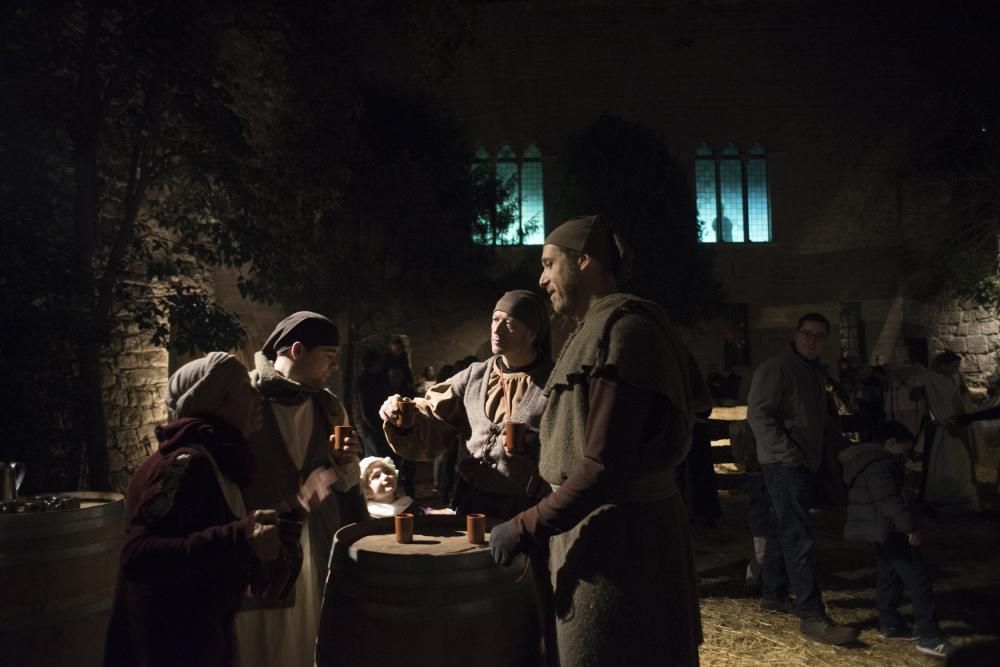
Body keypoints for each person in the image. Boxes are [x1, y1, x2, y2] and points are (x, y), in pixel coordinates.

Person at [488, 215, 709, 665]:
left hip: (625, 549)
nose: (542, 278)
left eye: (550, 264)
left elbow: (604, 466)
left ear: (584, 261)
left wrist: (522, 527)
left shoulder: (626, 332)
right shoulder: (592, 329)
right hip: (593, 535)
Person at [104, 352, 283, 667]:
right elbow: (138, 554)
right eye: (245, 386)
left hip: (200, 643)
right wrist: (240, 537)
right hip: (170, 650)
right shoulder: (186, 464)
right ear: (220, 400)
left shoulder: (217, 460)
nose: (257, 395)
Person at [235, 311, 367, 667]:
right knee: (263, 637)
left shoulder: (328, 405)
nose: (335, 366)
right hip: (265, 540)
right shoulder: (245, 396)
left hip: (317, 538)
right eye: (328, 355)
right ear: (296, 350)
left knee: (315, 631)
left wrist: (344, 461)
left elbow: (348, 480)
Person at [379, 290, 552, 519]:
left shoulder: (554, 382)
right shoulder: (474, 376)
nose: (497, 330)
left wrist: (534, 447)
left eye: (509, 323)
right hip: (473, 505)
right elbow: (433, 415)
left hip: (526, 508)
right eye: (495, 319)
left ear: (531, 333)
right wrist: (401, 416)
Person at [747, 312, 859, 645]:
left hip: (801, 462)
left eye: (820, 335)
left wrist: (844, 447)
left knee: (785, 530)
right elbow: (759, 414)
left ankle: (773, 593)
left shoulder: (813, 372)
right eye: (807, 334)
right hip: (784, 465)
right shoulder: (777, 368)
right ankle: (811, 615)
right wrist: (788, 454)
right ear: (796, 334)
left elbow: (819, 420)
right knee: (799, 535)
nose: (813, 340)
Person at [838, 421, 957, 659]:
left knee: (889, 574)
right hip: (890, 529)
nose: (905, 457)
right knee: (919, 578)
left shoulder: (867, 461)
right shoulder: (879, 465)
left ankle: (890, 623)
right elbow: (888, 500)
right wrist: (909, 527)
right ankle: (930, 636)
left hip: (880, 529)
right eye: (903, 450)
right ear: (890, 442)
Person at [914, 351, 980, 512]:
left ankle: (960, 491)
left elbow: (960, 398)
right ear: (943, 365)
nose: (956, 370)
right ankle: (939, 494)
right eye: (954, 366)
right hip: (940, 426)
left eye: (958, 367)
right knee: (940, 461)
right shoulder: (928, 377)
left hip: (956, 425)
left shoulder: (955, 378)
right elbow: (914, 392)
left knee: (961, 460)